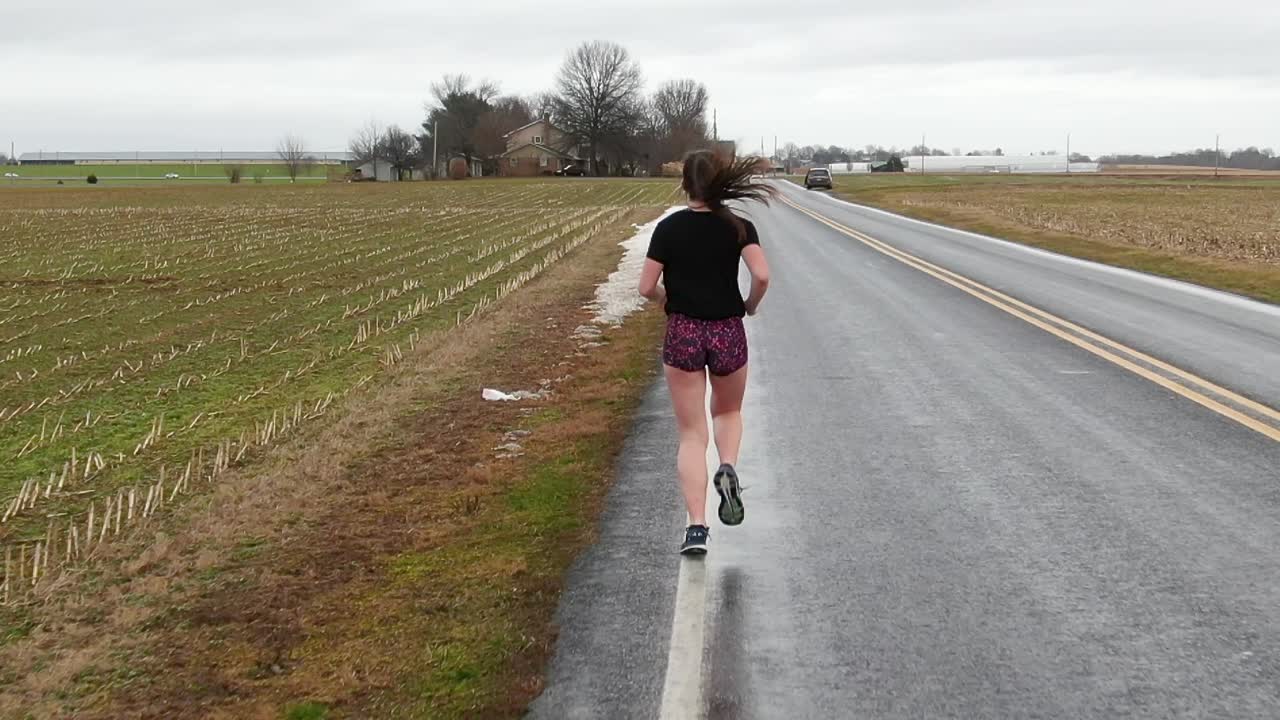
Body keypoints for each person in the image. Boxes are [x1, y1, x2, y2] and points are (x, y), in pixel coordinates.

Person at [637, 150, 773, 555]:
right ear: (721, 180)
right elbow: (762, 274)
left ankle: (697, 528)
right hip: (728, 330)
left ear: (685, 183)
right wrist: (750, 305)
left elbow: (645, 287)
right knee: (728, 412)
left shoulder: (669, 228)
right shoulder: (738, 227)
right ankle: (728, 464)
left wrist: (666, 300)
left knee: (692, 434)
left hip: (684, 331)